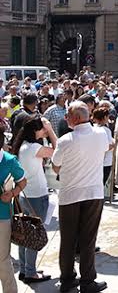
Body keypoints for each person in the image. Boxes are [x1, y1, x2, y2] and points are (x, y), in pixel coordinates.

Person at [51, 101, 111, 293]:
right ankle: (87, 281)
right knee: (88, 239)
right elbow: (107, 147)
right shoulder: (101, 134)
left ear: (75, 118)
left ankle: (68, 279)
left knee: (68, 239)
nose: (65, 118)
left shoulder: (66, 140)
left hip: (70, 194)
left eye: (68, 115)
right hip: (93, 193)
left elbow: (55, 165)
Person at [11, 116, 56, 284]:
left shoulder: (23, 147)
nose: (44, 130)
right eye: (42, 128)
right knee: (34, 236)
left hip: (26, 195)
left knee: (24, 234)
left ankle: (25, 269)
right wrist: (51, 131)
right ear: (35, 131)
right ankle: (30, 272)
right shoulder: (35, 147)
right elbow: (57, 151)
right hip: (37, 196)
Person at [0, 137, 27, 293]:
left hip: (2, 216)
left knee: (3, 260)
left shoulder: (10, 160)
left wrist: (12, 193)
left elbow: (22, 182)